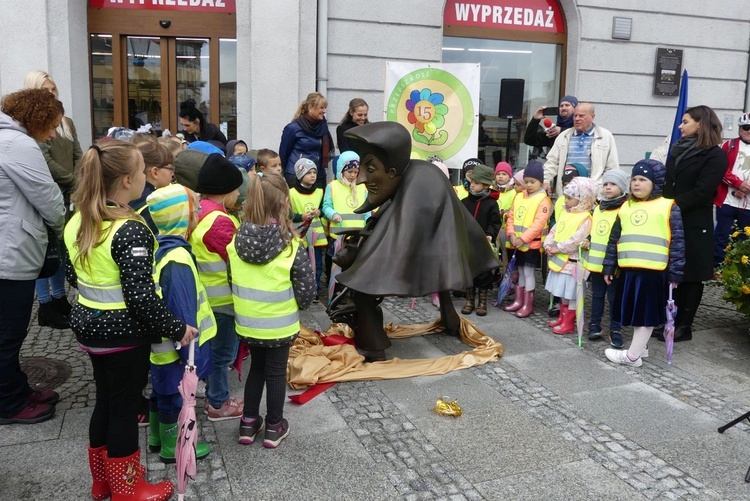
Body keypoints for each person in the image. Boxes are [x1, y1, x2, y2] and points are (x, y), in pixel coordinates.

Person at [65, 140, 196, 500]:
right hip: (123, 336)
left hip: (90, 329)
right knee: (125, 408)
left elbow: (73, 274)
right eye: (140, 171)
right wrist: (177, 329)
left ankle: (103, 479)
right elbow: (140, 297)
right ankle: (128, 488)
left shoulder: (78, 218)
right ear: (126, 180)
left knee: (106, 401)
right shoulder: (129, 229)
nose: (144, 177)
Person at [331, 122, 498, 361]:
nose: (361, 180)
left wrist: (361, 266)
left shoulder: (419, 183)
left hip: (437, 238)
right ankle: (449, 318)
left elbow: (397, 230)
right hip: (440, 239)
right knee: (439, 275)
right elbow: (389, 213)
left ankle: (373, 345)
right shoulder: (411, 173)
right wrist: (368, 231)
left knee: (363, 290)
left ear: (390, 172)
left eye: (370, 169)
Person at [229, 174, 315, 448]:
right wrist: (298, 305)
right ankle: (274, 426)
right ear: (285, 204)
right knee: (276, 373)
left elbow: (233, 280)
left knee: (257, 368)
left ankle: (248, 422)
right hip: (280, 324)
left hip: (248, 324)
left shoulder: (235, 242)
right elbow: (306, 292)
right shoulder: (291, 246)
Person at [0, 89, 66, 425]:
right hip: (9, 254)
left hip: (8, 249)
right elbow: (48, 196)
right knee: (8, 334)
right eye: (52, 126)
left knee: (8, 332)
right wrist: (64, 229)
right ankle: (9, 404)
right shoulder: (19, 144)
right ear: (36, 119)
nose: (54, 133)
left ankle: (17, 389)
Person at [145, 184, 213, 464]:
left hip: (161, 351)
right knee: (176, 396)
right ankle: (175, 445)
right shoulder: (179, 260)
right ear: (182, 217)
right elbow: (184, 315)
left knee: (161, 391)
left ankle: (157, 435)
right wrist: (190, 362)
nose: (198, 211)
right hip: (180, 352)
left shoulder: (163, 249)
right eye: (194, 207)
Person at [603, 159, 684, 366]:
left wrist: (676, 273)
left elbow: (677, 242)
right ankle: (642, 348)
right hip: (629, 270)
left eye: (642, 179)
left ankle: (632, 356)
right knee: (633, 311)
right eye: (634, 179)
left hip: (653, 271)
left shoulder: (668, 206)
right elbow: (614, 238)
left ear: (655, 182)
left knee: (645, 315)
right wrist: (610, 265)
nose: (636, 183)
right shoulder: (626, 207)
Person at [660, 105, 727, 342]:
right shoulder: (678, 149)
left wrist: (671, 205)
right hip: (671, 218)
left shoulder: (715, 154)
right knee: (673, 271)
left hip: (694, 222)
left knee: (690, 275)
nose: (680, 126)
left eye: (685, 121)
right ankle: (669, 320)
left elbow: (703, 190)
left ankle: (684, 326)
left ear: (700, 124)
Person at [189, 153, 245, 421]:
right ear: (224, 192)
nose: (237, 194)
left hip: (205, 299)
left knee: (209, 349)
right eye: (235, 189)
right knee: (221, 354)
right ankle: (218, 403)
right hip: (222, 303)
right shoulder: (220, 222)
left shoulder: (199, 211)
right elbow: (238, 259)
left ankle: (210, 391)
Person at [24, 70, 82, 330]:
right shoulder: (32, 127)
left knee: (62, 248)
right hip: (48, 190)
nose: (51, 93)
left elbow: (78, 154)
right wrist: (71, 181)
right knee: (45, 250)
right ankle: (46, 304)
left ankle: (60, 298)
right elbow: (43, 161)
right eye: (45, 90)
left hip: (70, 191)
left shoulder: (66, 122)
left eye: (53, 89)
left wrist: (78, 182)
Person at [544, 177, 597, 334]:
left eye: (569, 198)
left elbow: (576, 239)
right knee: (563, 293)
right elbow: (555, 230)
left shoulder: (585, 218)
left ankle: (568, 322)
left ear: (582, 199)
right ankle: (562, 317)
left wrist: (558, 248)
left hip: (573, 262)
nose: (565, 201)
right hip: (561, 260)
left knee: (572, 294)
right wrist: (548, 243)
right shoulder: (567, 213)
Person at [584, 169, 629, 346]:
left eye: (613, 184)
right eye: (606, 184)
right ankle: (594, 325)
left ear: (622, 187)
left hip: (614, 264)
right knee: (597, 295)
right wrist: (587, 240)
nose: (608, 187)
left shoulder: (625, 209)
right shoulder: (599, 208)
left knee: (614, 297)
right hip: (596, 262)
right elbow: (594, 230)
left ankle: (615, 329)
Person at [504, 160, 551, 318]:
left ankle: (527, 304)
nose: (529, 185)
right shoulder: (519, 197)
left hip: (531, 244)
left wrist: (523, 238)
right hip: (517, 243)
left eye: (533, 182)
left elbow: (538, 224)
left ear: (541, 182)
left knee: (528, 272)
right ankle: (519, 300)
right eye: (527, 181)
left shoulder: (543, 200)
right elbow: (511, 217)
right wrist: (510, 234)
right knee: (521, 273)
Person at [543, 103, 619, 195]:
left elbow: (612, 167)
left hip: (593, 194)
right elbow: (552, 161)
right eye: (575, 116)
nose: (577, 119)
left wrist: (607, 189)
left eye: (581, 116)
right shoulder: (564, 136)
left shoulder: (605, 136)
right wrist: (546, 180)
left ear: (592, 117)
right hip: (567, 193)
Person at [460, 164, 502, 317]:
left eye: (475, 183)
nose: (472, 185)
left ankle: (482, 302)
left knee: (484, 273)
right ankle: (469, 300)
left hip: (483, 244)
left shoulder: (491, 203)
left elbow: (495, 222)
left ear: (485, 185)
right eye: (471, 182)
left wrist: (490, 233)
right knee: (469, 271)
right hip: (468, 243)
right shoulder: (465, 202)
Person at [713, 112, 750, 268]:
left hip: (748, 204)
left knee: (744, 238)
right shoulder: (728, 146)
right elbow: (720, 169)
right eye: (746, 127)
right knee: (722, 235)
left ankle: (740, 271)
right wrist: (738, 184)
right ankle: (717, 266)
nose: (749, 131)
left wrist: (746, 188)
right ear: (740, 129)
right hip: (728, 199)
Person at [279, 92, 334, 190]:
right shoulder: (293, 128)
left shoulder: (323, 127)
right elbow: (284, 154)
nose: (324, 111)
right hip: (296, 174)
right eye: (321, 107)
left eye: (325, 107)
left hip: (318, 174)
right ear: (310, 108)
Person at [290, 158, 328, 299]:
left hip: (316, 237)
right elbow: (287, 214)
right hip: (300, 237)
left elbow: (325, 208)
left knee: (316, 265)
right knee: (300, 266)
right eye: (308, 173)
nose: (313, 175)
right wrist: (300, 216)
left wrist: (320, 212)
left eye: (314, 172)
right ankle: (300, 291)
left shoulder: (319, 191)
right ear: (300, 175)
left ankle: (315, 291)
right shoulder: (291, 193)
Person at [129, 138, 175, 234]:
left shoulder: (130, 194)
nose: (173, 174)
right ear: (155, 172)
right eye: (170, 168)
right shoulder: (154, 205)